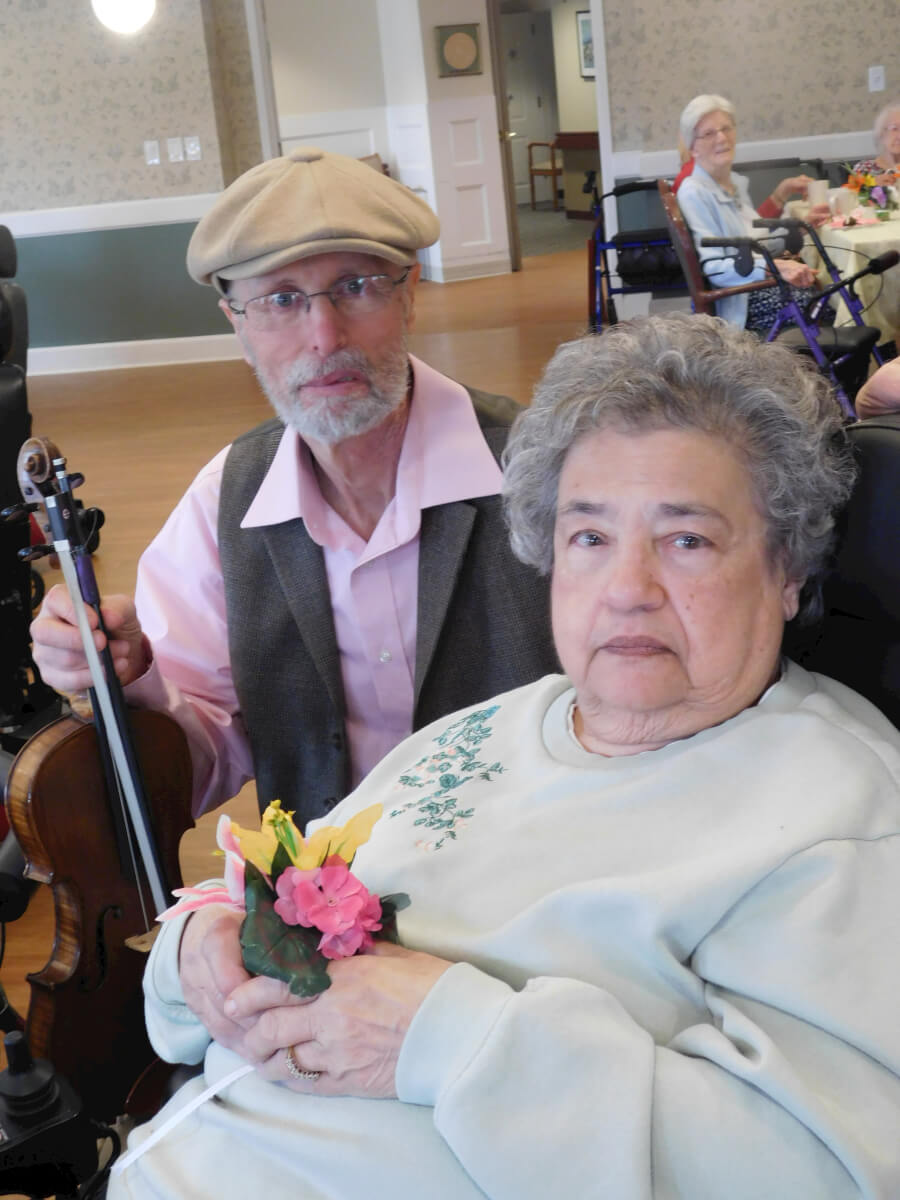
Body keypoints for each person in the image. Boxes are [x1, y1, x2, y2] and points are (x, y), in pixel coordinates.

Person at [111, 314, 900, 1199]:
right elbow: (276, 886)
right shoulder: (483, 729)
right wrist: (197, 956)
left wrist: (444, 1039)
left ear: (787, 569)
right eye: (590, 538)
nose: (628, 592)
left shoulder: (842, 816)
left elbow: (822, 1169)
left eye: (688, 540)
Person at [29, 147, 558, 827]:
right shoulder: (227, 502)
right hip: (330, 905)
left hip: (534, 882)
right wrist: (128, 677)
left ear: (410, 294)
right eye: (281, 299)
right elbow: (193, 775)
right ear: (237, 324)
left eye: (358, 286)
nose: (324, 335)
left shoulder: (542, 468)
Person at [676, 94, 832, 334]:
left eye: (726, 128)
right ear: (693, 147)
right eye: (709, 133)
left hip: (754, 288)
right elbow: (715, 268)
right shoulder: (694, 192)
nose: (721, 138)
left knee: (835, 291)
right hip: (740, 304)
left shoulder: (729, 184)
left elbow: (757, 242)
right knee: (825, 301)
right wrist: (776, 267)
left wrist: (798, 228)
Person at [852, 100, 900, 185]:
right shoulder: (865, 169)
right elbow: (852, 194)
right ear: (881, 134)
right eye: (894, 129)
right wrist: (872, 184)